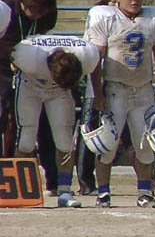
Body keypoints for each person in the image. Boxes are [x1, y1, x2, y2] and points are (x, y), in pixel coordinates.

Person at [85, 0, 155, 208]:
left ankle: (144, 192)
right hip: (115, 89)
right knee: (107, 144)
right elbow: (96, 59)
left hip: (143, 90)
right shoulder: (106, 17)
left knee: (145, 145)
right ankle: (103, 192)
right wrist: (98, 94)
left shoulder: (154, 19)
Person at [11, 35, 100, 207]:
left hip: (59, 91)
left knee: (65, 141)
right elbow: (13, 63)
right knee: (26, 141)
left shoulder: (85, 54)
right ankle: (20, 190)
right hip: (30, 85)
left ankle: (64, 190)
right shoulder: (29, 55)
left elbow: (94, 66)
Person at [0, 0, 58, 189]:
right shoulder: (6, 10)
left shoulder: (48, 14)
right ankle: (5, 173)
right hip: (3, 70)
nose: (38, 15)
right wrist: (14, 58)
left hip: (32, 71)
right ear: (23, 3)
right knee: (4, 119)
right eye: (34, 10)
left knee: (43, 122)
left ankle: (53, 180)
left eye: (42, 11)